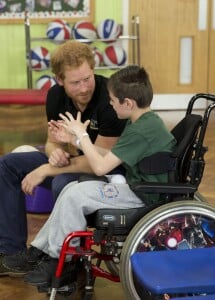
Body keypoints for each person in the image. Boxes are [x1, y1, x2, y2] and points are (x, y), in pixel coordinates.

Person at [7, 65, 176, 286]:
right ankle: (41, 250)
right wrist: (75, 140)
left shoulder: (141, 130)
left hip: (145, 194)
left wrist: (82, 134)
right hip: (138, 186)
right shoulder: (144, 122)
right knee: (70, 189)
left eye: (113, 100)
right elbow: (111, 154)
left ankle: (61, 260)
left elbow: (100, 167)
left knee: (75, 196)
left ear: (128, 103)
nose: (110, 103)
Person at [0, 40, 126, 275]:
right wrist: (53, 154)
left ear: (93, 68)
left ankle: (67, 261)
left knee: (62, 182)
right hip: (74, 163)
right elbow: (53, 142)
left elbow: (100, 163)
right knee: (7, 165)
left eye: (87, 78)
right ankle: (11, 253)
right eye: (75, 82)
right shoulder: (55, 96)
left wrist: (47, 169)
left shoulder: (110, 98)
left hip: (108, 173)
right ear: (59, 80)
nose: (84, 88)